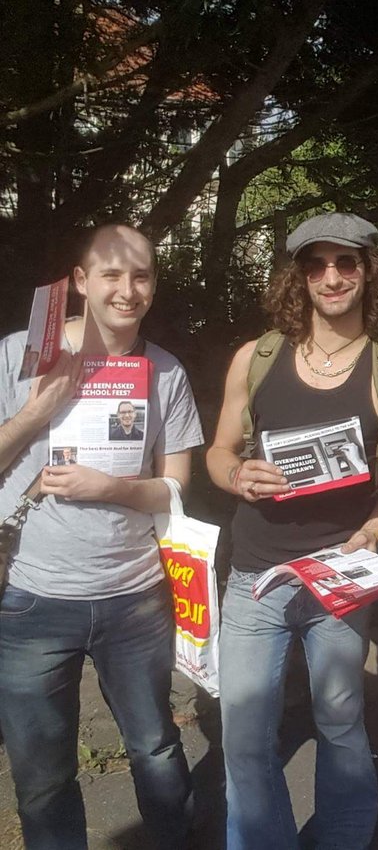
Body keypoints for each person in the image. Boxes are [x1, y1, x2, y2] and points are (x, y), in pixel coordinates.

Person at [206, 211, 378, 850]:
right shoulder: (257, 359)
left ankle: (343, 839)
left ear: (369, 271)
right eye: (316, 264)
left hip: (340, 576)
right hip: (256, 574)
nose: (331, 277)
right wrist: (237, 475)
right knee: (245, 733)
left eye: (346, 262)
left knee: (339, 722)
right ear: (299, 276)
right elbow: (218, 453)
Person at [0, 224, 203, 850]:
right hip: (31, 599)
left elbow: (176, 490)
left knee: (156, 751)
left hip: (134, 598)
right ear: (81, 282)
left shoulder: (163, 371)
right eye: (112, 274)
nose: (127, 289)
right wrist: (37, 409)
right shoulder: (15, 356)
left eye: (141, 275)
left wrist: (109, 488)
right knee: (41, 777)